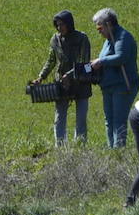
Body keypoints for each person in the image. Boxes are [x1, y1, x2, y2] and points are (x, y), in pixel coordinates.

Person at [29, 10, 93, 144]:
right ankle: (60, 147)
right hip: (62, 84)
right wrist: (41, 77)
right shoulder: (55, 39)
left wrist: (69, 75)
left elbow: (84, 62)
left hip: (81, 82)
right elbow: (51, 61)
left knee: (81, 119)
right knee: (59, 116)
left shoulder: (82, 38)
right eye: (57, 25)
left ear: (69, 24)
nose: (59, 28)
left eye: (62, 24)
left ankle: (80, 147)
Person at [89, 8, 139, 148]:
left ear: (109, 24)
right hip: (108, 86)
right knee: (109, 120)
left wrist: (101, 62)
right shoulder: (108, 40)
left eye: (100, 26)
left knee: (119, 121)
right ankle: (111, 150)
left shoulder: (123, 37)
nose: (98, 30)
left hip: (123, 86)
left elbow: (121, 57)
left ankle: (119, 151)